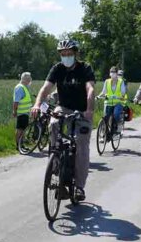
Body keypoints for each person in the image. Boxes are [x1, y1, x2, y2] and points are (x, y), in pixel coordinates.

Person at [31, 39, 95, 201]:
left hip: (81, 110)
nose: (66, 56)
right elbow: (45, 88)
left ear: (75, 54)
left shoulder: (85, 68)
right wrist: (37, 104)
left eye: (69, 54)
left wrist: (89, 110)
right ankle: (56, 163)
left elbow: (90, 89)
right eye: (63, 54)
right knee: (53, 124)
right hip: (64, 107)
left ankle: (79, 186)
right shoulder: (57, 69)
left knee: (81, 144)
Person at [100, 66, 127, 136]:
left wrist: (119, 96)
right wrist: (99, 96)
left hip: (118, 102)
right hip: (108, 102)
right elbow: (103, 92)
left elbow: (123, 92)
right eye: (111, 72)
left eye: (114, 72)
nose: (112, 73)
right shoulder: (107, 81)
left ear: (117, 73)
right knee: (105, 117)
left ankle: (115, 129)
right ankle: (104, 133)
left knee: (116, 114)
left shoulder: (121, 81)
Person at [12, 72, 34, 149]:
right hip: (22, 113)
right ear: (25, 79)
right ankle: (18, 145)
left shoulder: (24, 87)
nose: (29, 81)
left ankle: (21, 145)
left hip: (25, 113)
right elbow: (16, 101)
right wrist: (14, 111)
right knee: (20, 129)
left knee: (23, 129)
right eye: (28, 79)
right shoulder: (20, 88)